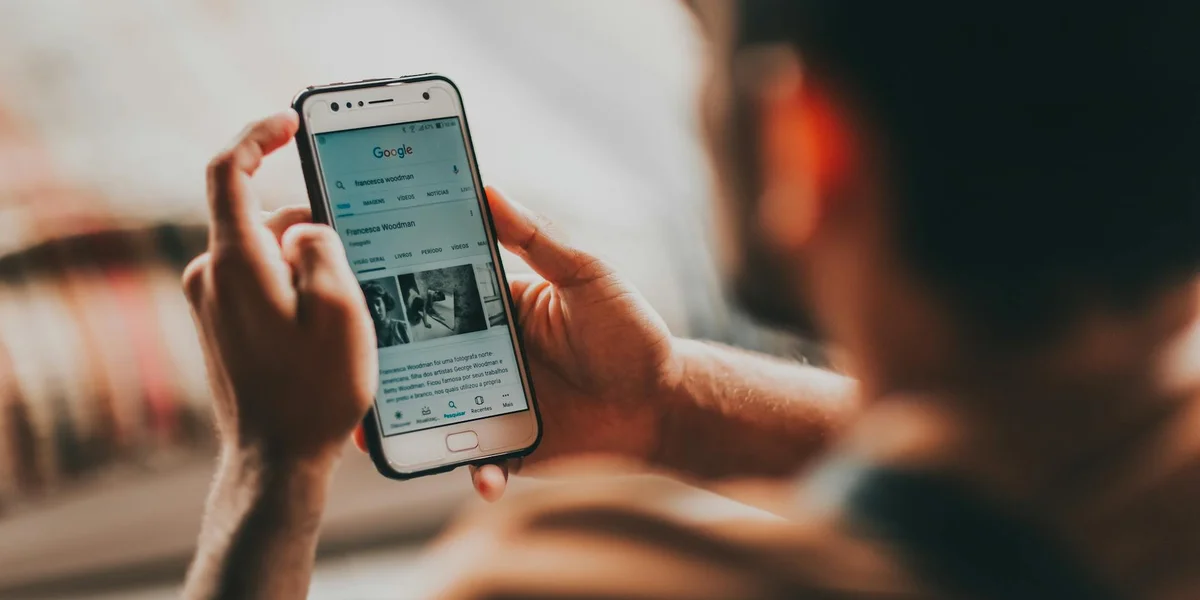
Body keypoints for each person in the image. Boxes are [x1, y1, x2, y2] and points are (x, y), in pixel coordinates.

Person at [180, 1, 1200, 598]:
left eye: (710, 51)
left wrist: (270, 473)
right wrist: (665, 406)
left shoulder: (581, 580)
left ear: (809, 145)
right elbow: (1028, 453)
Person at [362, 281, 410, 347]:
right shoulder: (366, 337)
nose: (375, 310)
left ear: (384, 302)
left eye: (377, 303)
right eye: (369, 306)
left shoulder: (403, 327)